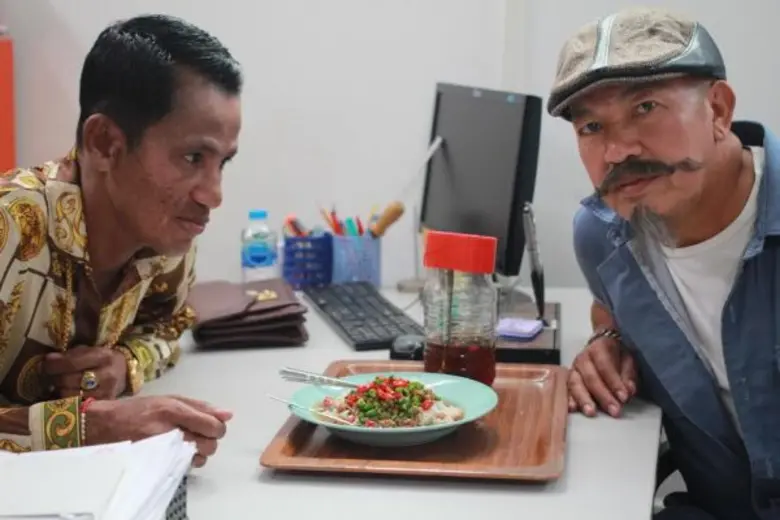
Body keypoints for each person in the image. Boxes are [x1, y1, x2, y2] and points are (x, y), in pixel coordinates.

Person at [548, 7, 779, 520]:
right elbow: (611, 307)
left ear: (718, 109)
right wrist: (607, 339)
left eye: (645, 107)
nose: (616, 151)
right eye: (591, 126)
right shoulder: (602, 236)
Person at [0, 14, 241, 468]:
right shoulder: (9, 229)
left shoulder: (164, 235)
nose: (213, 195)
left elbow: (169, 327)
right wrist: (91, 427)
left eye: (222, 163)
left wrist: (124, 365)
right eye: (193, 157)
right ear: (105, 143)